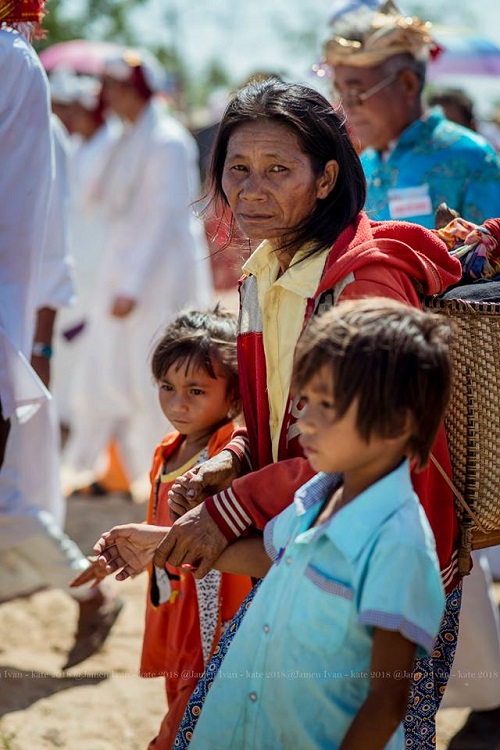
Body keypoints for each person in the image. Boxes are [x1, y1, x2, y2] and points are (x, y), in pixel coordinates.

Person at [92, 77, 462, 748]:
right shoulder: (267, 266)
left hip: (366, 550)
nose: (251, 191)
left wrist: (228, 508)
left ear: (324, 180)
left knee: (363, 725)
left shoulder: (364, 283)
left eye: (276, 170)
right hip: (303, 536)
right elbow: (280, 414)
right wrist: (234, 458)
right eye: (238, 169)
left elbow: (357, 445)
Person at [186, 297, 451, 749]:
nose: (302, 419)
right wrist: (163, 544)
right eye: (304, 400)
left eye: (325, 404)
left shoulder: (398, 543)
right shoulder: (318, 496)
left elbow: (386, 701)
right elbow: (275, 557)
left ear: (395, 423)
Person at [0, 1, 122, 671]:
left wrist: (38, 343)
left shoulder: (17, 79)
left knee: (10, 498)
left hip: (16, 331)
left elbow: (47, 247)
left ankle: (91, 595)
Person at [72, 306, 252, 749]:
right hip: (171, 606)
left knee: (190, 716)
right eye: (167, 387)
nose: (177, 403)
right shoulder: (167, 449)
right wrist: (121, 558)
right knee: (182, 697)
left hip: (211, 616)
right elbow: (157, 529)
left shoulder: (225, 451)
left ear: (232, 397)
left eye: (196, 390)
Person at [61, 48, 214, 501]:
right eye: (106, 87)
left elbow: (159, 220)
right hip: (124, 276)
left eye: (117, 86)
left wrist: (130, 286)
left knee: (158, 375)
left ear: (137, 90)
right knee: (116, 373)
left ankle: (168, 479)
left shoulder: (165, 141)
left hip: (157, 280)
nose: (108, 95)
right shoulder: (127, 138)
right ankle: (125, 470)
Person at [322, 0, 500, 228]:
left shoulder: (472, 158)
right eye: (339, 92)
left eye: (356, 92)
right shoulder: (360, 168)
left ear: (407, 84)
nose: (346, 107)